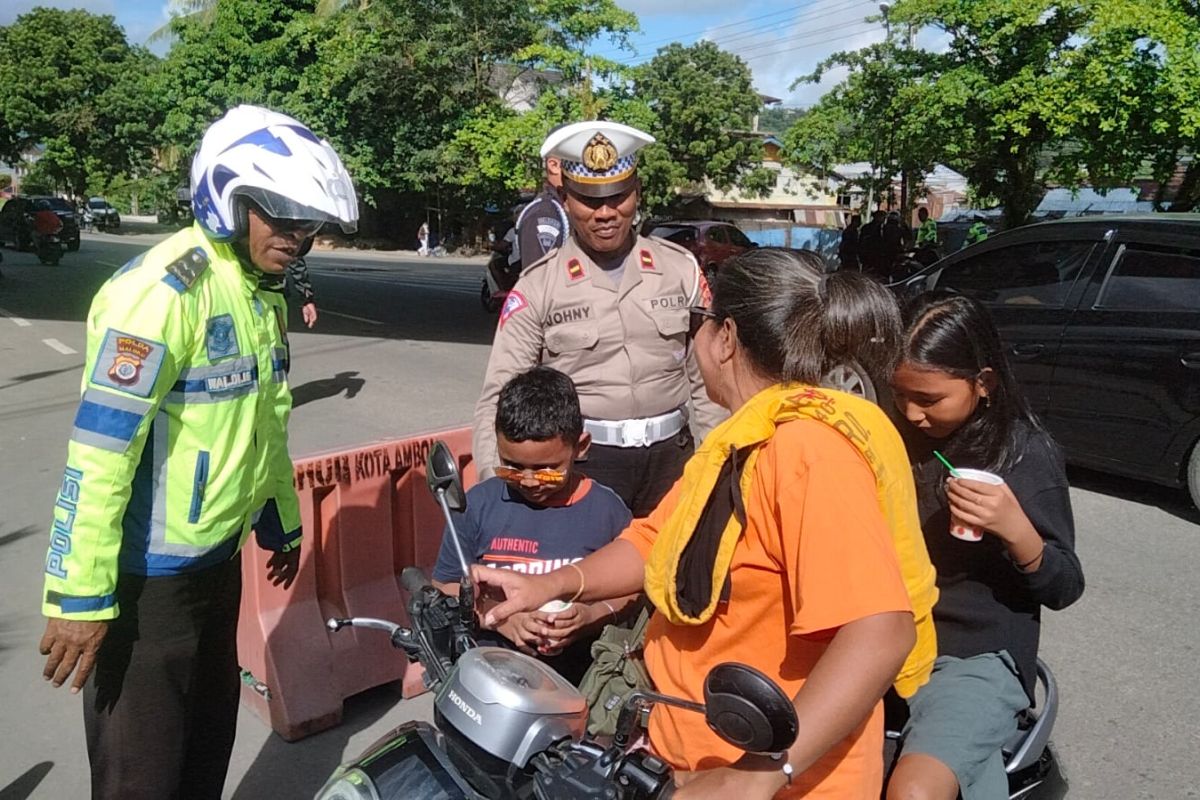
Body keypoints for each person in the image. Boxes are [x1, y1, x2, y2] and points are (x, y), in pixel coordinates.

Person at [473, 248, 943, 799]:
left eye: (699, 323)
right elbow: (656, 540)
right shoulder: (741, 439)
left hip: (785, 781)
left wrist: (755, 778)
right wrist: (547, 584)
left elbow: (881, 631)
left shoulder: (807, 451)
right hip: (689, 758)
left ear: (725, 337)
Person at [37, 104, 358, 800]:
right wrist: (79, 596)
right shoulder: (161, 294)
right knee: (141, 778)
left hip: (217, 567)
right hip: (143, 586)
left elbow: (265, 420)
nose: (299, 238)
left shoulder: (257, 293)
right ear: (228, 199)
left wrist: (280, 516)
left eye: (311, 225)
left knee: (205, 752)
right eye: (283, 218)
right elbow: (101, 452)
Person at [472, 120, 725, 518]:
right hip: (585, 466)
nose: (606, 213)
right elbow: (499, 396)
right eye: (590, 200)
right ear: (565, 199)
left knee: (674, 578)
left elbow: (709, 380)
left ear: (637, 194)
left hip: (673, 461)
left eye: (619, 197)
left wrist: (715, 460)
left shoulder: (680, 270)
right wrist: (494, 493)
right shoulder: (538, 286)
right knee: (592, 579)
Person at [887, 292, 1085, 800]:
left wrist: (1017, 529)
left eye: (929, 400)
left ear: (984, 383)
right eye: (901, 395)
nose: (912, 413)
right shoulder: (891, 438)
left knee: (915, 790)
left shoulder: (1023, 455)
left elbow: (1065, 584)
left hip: (974, 653)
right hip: (884, 633)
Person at [432, 366, 635, 684]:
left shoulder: (607, 511)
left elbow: (633, 588)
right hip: (490, 678)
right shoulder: (478, 504)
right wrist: (500, 619)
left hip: (577, 683)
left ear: (580, 447)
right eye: (511, 467)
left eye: (546, 469)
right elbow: (445, 584)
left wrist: (591, 616)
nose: (528, 480)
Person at [511, 144, 569, 270]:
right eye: (577, 161)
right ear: (554, 165)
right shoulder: (545, 214)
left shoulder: (564, 205)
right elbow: (541, 281)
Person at [858, 209, 886, 276]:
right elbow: (862, 241)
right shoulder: (867, 228)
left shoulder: (883, 228)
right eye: (882, 217)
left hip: (878, 255)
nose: (883, 219)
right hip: (869, 254)